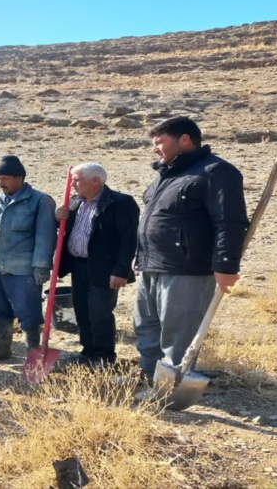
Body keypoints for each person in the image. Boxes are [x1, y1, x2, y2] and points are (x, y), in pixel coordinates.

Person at [133, 117, 249, 382]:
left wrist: (226, 266)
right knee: (146, 325)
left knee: (179, 331)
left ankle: (172, 385)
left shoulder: (216, 172)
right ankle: (149, 375)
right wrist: (139, 254)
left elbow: (229, 222)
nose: (155, 149)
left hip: (187, 268)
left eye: (160, 142)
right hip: (151, 264)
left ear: (184, 139)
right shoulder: (165, 175)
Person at [0, 155, 57, 364]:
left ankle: (34, 354)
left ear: (20, 178)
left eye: (5, 178)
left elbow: (45, 236)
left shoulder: (40, 201)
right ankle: (1, 349)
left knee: (29, 313)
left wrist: (41, 266)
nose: (1, 183)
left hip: (23, 269)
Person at [55, 163, 140, 367]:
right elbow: (68, 229)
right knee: (81, 310)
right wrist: (58, 218)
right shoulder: (76, 202)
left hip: (105, 269)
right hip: (78, 266)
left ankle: (104, 358)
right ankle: (87, 352)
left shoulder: (120, 203)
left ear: (95, 181)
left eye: (76, 179)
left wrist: (121, 270)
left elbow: (129, 240)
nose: (72, 184)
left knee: (99, 312)